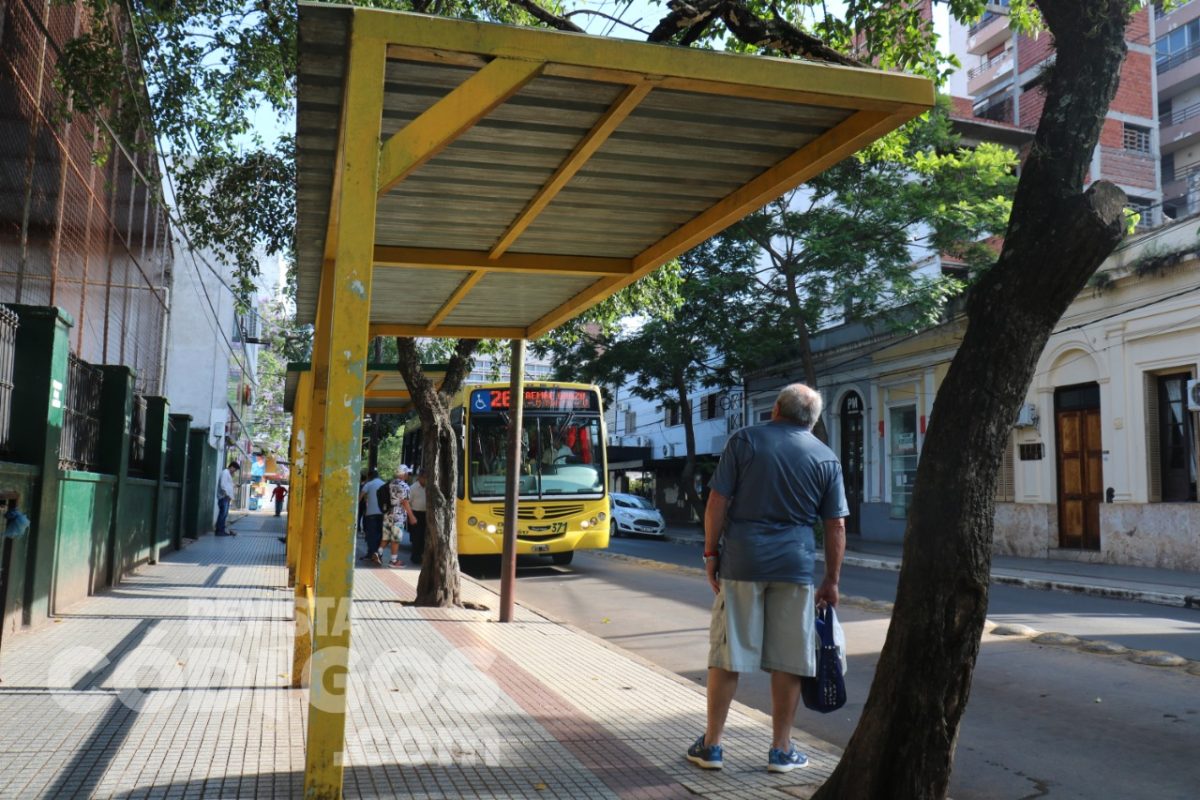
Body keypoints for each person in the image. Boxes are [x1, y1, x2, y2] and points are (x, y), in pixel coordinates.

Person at [685, 383, 847, 774]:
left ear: (775, 409)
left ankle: (712, 747)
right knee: (789, 661)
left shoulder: (745, 441)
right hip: (795, 568)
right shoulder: (826, 458)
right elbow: (835, 525)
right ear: (813, 419)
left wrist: (710, 553)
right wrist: (832, 579)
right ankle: (781, 750)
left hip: (742, 563)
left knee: (728, 655)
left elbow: (717, 502)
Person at [382, 465, 417, 568]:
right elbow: (405, 502)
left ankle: (378, 554)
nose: (408, 475)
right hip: (398, 516)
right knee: (396, 538)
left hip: (388, 513)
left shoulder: (391, 483)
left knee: (386, 536)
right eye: (407, 473)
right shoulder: (405, 486)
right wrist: (411, 517)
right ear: (404, 474)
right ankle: (394, 561)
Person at [359, 468, 387, 565]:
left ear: (369, 477)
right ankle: (379, 555)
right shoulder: (384, 484)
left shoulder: (368, 484)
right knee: (380, 534)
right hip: (383, 514)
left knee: (371, 535)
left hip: (371, 514)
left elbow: (360, 497)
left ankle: (371, 554)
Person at [215, 461, 240, 537]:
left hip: (226, 497)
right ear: (232, 467)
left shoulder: (227, 474)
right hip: (224, 497)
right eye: (235, 469)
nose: (234, 471)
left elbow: (228, 484)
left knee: (224, 514)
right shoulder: (225, 473)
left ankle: (221, 530)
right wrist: (226, 494)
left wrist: (235, 485)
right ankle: (219, 531)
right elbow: (223, 485)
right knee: (223, 514)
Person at [408, 469, 427, 566]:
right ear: (419, 477)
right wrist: (411, 516)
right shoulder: (413, 488)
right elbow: (408, 503)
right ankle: (415, 557)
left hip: (426, 514)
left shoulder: (429, 487)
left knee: (424, 537)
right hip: (416, 514)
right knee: (416, 537)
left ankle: (422, 556)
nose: (425, 480)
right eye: (424, 478)